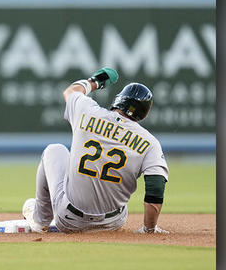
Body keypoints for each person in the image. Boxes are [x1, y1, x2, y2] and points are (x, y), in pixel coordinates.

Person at [22, 67, 169, 234]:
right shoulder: (150, 142)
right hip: (113, 222)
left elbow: (71, 91)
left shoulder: (87, 111)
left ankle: (40, 220)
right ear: (144, 114)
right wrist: (149, 229)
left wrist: (96, 81)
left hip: (69, 219)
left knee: (54, 150)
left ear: (118, 100)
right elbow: (156, 188)